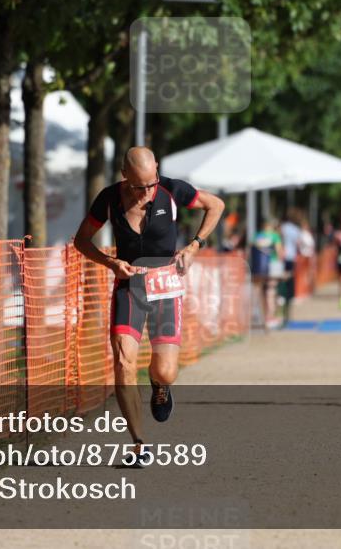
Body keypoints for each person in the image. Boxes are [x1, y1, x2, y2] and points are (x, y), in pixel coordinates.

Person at [73, 147, 224, 466]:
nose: (146, 192)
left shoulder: (172, 189)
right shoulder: (109, 199)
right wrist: (111, 263)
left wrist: (195, 245)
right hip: (130, 287)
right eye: (138, 186)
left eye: (151, 184)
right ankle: (139, 445)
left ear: (157, 169)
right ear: (124, 175)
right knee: (124, 362)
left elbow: (215, 205)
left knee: (165, 371)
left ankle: (160, 386)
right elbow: (82, 240)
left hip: (166, 288)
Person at [250, 219, 285, 330]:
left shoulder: (256, 236)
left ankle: (257, 316)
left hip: (257, 268)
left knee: (258, 291)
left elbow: (250, 250)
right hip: (272, 266)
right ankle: (270, 317)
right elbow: (280, 253)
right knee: (271, 290)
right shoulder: (275, 236)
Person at [279, 209, 303, 326]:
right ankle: (288, 308)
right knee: (289, 283)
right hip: (291, 258)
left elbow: (280, 241)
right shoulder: (296, 230)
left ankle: (282, 306)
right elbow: (299, 244)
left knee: (282, 281)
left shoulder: (282, 228)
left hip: (282, 258)